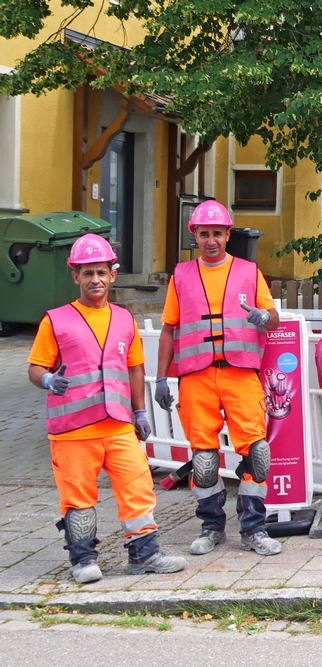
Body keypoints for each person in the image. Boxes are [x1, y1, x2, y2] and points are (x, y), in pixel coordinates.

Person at [28, 234, 187, 583]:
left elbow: (134, 369)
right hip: (72, 429)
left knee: (138, 490)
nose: (95, 280)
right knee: (78, 498)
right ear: (76, 276)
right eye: (88, 273)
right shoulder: (55, 321)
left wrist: (140, 412)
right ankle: (83, 560)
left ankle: (144, 555)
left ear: (112, 275)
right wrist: (47, 381)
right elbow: (35, 368)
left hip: (117, 425)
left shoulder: (123, 319)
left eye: (101, 272)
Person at [155, 200, 283, 557]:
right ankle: (211, 528)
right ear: (194, 235)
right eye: (204, 233)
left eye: (217, 233)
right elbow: (169, 330)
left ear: (228, 235)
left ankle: (253, 529)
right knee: (204, 461)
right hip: (196, 377)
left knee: (258, 454)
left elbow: (273, 320)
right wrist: (161, 378)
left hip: (241, 374)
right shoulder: (181, 275)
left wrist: (262, 316)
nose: (211, 240)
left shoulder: (248, 270)